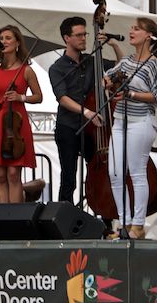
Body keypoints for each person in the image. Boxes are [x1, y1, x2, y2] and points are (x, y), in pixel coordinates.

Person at [104, 17, 157, 239]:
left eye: (137, 29)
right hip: (120, 120)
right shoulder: (126, 62)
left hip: (141, 122)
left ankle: (138, 225)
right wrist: (107, 83)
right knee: (115, 172)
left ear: (148, 36)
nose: (131, 31)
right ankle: (124, 223)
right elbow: (109, 78)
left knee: (137, 171)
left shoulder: (154, 65)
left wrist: (131, 94)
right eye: (131, 27)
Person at [48, 16, 123, 203]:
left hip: (94, 128)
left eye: (85, 34)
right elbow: (63, 98)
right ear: (67, 38)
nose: (84, 38)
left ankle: (105, 219)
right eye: (79, 35)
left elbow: (121, 67)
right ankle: (65, 222)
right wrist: (87, 112)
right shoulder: (57, 68)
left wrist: (114, 45)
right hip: (68, 126)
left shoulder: (92, 60)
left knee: (102, 171)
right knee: (69, 177)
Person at [0, 25, 43, 203]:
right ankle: (4, 219)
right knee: (0, 175)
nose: (4, 42)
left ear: (17, 42)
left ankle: (16, 219)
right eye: (1, 39)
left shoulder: (26, 70)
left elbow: (39, 96)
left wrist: (20, 97)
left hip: (16, 124)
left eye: (8, 38)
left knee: (13, 174)